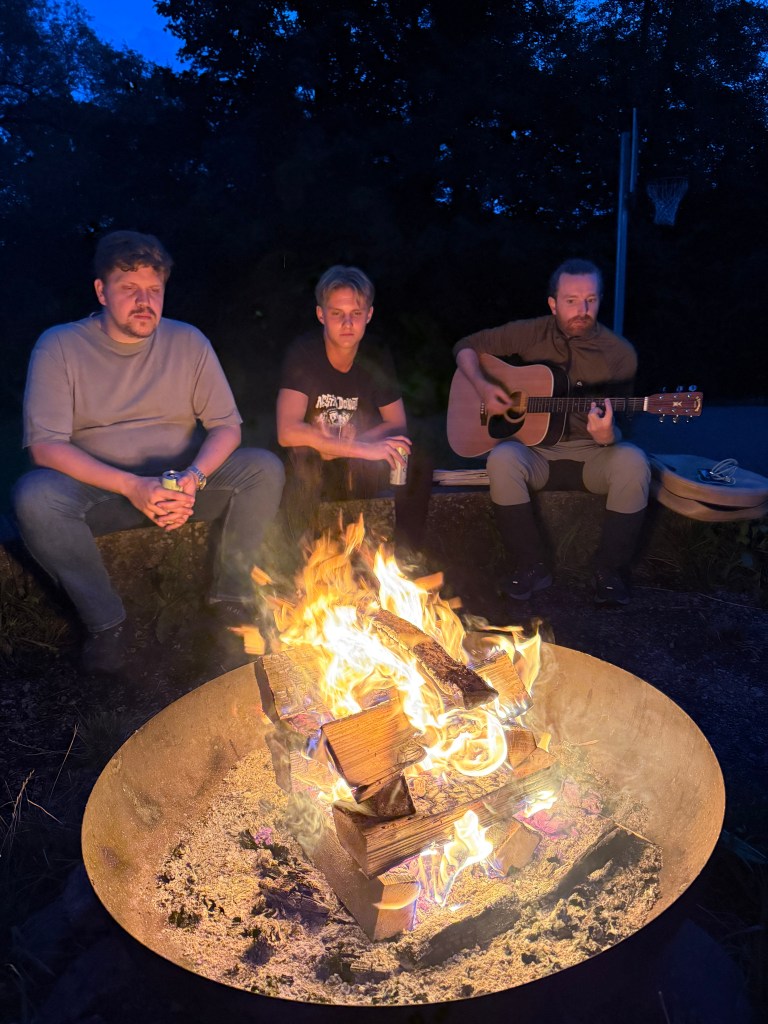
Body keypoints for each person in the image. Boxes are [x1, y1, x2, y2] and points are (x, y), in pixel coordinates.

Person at [13, 230, 285, 673]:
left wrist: (194, 478)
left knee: (263, 468)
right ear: (101, 291)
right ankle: (107, 625)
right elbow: (46, 447)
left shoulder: (188, 341)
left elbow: (227, 427)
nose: (144, 301)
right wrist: (133, 486)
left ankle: (230, 599)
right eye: (129, 288)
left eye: (154, 290)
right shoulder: (60, 345)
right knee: (34, 496)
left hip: (182, 485)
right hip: (102, 493)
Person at [453, 258, 650, 605]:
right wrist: (484, 387)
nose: (582, 310)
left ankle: (609, 571)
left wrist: (607, 436)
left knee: (634, 462)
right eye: (572, 300)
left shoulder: (620, 354)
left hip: (594, 456)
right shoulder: (531, 332)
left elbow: (624, 430)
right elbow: (465, 346)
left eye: (591, 300)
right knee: (502, 458)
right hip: (537, 454)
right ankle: (531, 566)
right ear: (553, 303)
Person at [276, 265, 432, 560]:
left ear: (368, 315)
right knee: (303, 462)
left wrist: (355, 445)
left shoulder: (375, 354)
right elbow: (287, 431)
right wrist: (348, 447)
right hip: (314, 466)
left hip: (357, 464)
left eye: (356, 313)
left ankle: (405, 559)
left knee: (416, 459)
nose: (347, 323)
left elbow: (397, 423)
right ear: (321, 315)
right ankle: (293, 563)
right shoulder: (304, 353)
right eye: (337, 313)